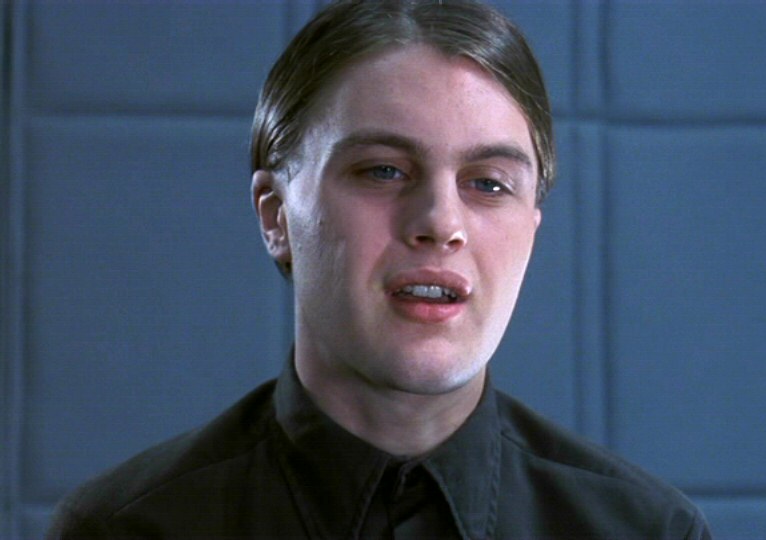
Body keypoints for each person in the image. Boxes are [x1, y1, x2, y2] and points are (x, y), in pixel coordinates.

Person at [48, 0, 711, 538]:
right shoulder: (126, 530)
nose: (441, 222)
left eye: (488, 183)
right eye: (383, 171)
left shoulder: (647, 532)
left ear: (532, 228)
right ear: (276, 215)